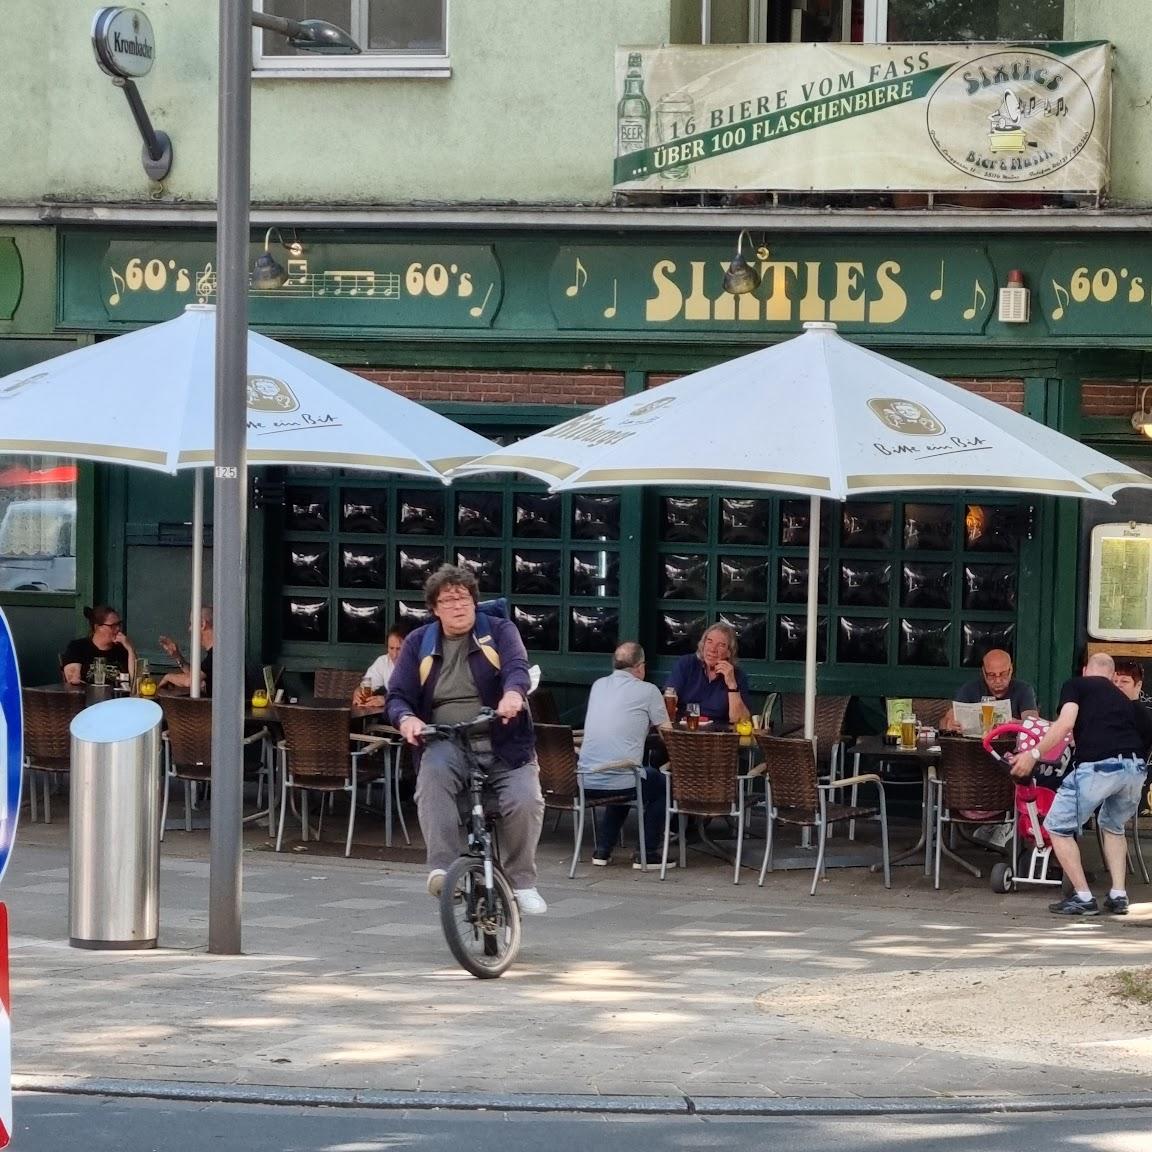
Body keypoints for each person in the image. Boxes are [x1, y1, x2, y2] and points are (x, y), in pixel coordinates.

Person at [386, 564, 547, 915]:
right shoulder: (418, 643)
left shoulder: (501, 631)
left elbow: (517, 667)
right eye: (448, 600)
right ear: (434, 609)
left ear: (474, 601)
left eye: (463, 598)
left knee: (526, 801)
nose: (458, 606)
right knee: (432, 779)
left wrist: (513, 695)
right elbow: (397, 695)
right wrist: (407, 719)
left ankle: (522, 882)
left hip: (504, 739)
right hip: (446, 739)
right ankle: (443, 869)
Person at [1008, 653, 1152, 916]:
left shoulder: (1077, 685)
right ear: (1110, 676)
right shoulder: (1124, 700)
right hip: (1134, 768)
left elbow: (1065, 723)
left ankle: (1083, 896)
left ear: (1086, 671)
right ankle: (1119, 894)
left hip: (1098, 767)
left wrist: (1033, 754)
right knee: (1113, 826)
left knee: (1057, 826)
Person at [579, 641, 671, 869]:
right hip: (620, 776)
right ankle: (647, 854)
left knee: (629, 775)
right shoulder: (648, 690)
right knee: (660, 784)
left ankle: (602, 850)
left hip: (584, 778)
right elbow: (669, 735)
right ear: (640, 667)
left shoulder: (598, 685)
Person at [665, 622, 751, 727]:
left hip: (718, 736)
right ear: (703, 645)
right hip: (684, 732)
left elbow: (740, 720)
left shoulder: (737, 675)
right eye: (709, 642)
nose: (713, 649)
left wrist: (732, 685)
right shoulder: (686, 664)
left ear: (729, 652)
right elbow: (669, 695)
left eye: (721, 645)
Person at [941, 648, 1039, 732]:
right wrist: (949, 724)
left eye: (1003, 674)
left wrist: (1017, 724)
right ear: (983, 672)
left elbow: (1033, 723)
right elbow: (944, 722)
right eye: (991, 675)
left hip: (1013, 748)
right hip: (975, 747)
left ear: (1011, 669)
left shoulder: (1023, 690)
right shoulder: (969, 689)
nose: (998, 680)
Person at [61, 604, 136, 686]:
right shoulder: (78, 647)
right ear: (97, 627)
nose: (118, 629)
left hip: (116, 696)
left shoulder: (121, 649)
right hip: (87, 695)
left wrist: (130, 649)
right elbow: (73, 680)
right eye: (113, 626)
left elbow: (135, 680)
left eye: (119, 624)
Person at [157, 607, 214, 695]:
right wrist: (178, 657)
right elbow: (195, 675)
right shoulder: (215, 654)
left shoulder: (216, 656)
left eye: (192, 624)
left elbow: (191, 681)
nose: (190, 629)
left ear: (202, 624)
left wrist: (168, 677)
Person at [356, 623, 407, 706]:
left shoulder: (416, 663)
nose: (394, 655)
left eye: (399, 649)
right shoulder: (383, 661)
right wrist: (358, 692)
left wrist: (386, 699)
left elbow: (413, 695)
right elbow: (369, 684)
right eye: (391, 648)